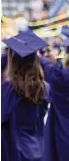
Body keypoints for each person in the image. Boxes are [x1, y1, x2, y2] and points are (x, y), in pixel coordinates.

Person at [2, 31, 49, 161]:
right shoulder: (44, 88)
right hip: (36, 147)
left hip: (13, 150)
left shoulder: (8, 89)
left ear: (12, 60)